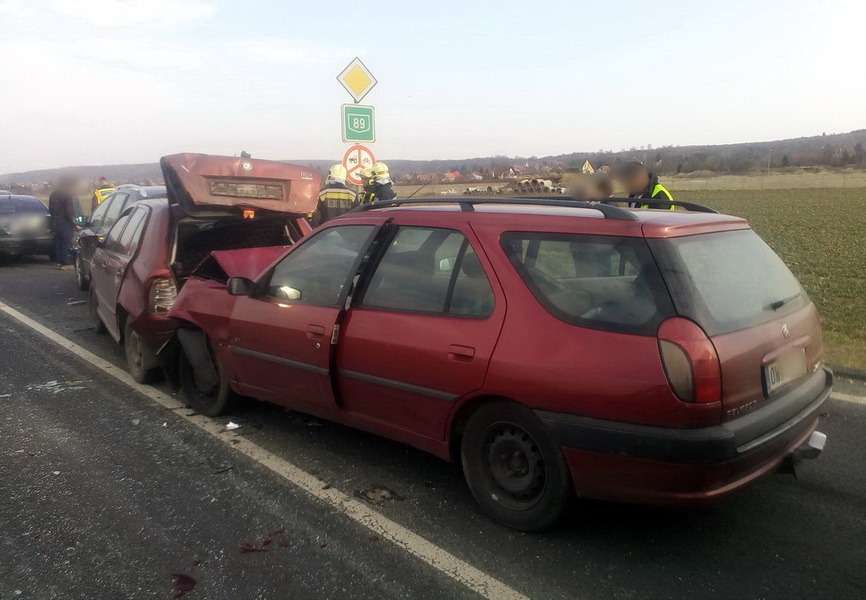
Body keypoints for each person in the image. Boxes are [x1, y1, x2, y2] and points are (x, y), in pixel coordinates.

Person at [48, 177, 83, 269]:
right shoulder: (68, 194)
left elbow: (50, 209)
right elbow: (70, 210)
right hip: (66, 221)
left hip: (56, 220)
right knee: (66, 242)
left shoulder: (53, 194)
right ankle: (65, 264)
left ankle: (59, 262)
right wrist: (76, 223)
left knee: (59, 242)